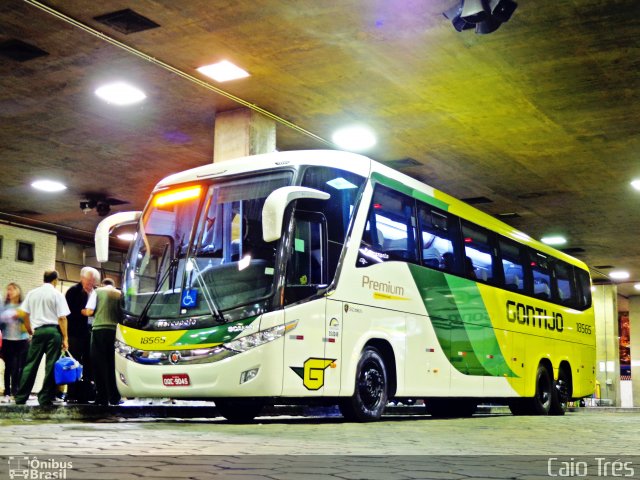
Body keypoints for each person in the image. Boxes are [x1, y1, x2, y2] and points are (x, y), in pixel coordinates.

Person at [14, 270, 70, 406]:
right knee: (51, 366)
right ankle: (44, 398)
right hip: (53, 332)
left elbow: (24, 314)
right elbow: (62, 318)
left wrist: (29, 330)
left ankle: (21, 397)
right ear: (55, 280)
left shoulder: (32, 293)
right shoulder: (57, 294)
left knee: (30, 364)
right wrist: (65, 338)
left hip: (38, 332)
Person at [84, 278, 122, 406]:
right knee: (113, 365)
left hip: (100, 330)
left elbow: (89, 311)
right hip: (115, 332)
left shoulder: (97, 292)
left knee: (99, 365)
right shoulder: (119, 294)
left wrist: (84, 312)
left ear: (102, 284)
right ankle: (115, 397)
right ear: (113, 285)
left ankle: (102, 398)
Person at [65, 266, 100, 403]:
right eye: (88, 281)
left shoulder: (96, 293)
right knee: (74, 363)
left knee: (89, 362)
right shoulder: (73, 291)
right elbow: (68, 312)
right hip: (75, 333)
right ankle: (72, 393)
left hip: (90, 332)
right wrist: (83, 312)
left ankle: (87, 393)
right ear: (82, 278)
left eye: (93, 281)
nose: (90, 284)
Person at [0, 283, 29, 398]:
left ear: (18, 291)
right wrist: (8, 316)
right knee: (9, 366)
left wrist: (21, 317)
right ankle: (7, 390)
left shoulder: (23, 306)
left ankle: (15, 390)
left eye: (12, 289)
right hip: (8, 339)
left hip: (21, 340)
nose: (9, 291)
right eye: (8, 289)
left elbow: (28, 321)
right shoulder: (4, 306)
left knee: (18, 366)